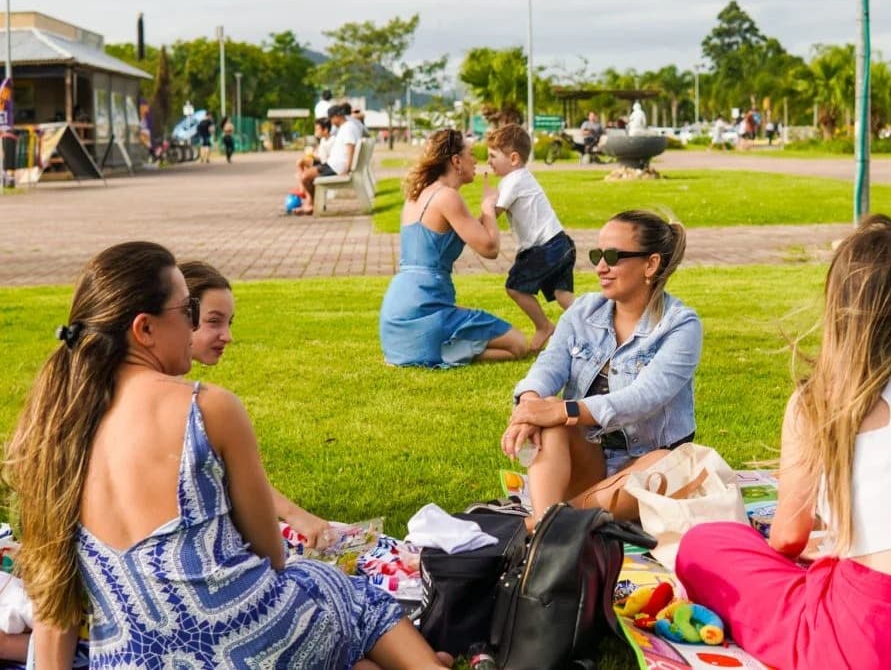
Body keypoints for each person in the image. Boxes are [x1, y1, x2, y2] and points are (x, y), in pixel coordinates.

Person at [6, 241, 451, 668]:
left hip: (131, 658)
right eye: (190, 312)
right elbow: (271, 556)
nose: (197, 326)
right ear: (144, 328)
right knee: (340, 590)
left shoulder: (52, 431)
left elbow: (52, 606)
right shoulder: (206, 408)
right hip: (246, 643)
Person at [673, 216, 891, 670]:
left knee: (707, 544)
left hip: (869, 641)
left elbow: (787, 538)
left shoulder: (817, 401)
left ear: (836, 301)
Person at [502, 210, 698, 528]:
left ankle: (547, 525)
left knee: (670, 465)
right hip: (586, 461)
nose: (600, 267)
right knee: (549, 411)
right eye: (597, 255)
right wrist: (529, 403)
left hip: (643, 464)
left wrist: (564, 409)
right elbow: (549, 365)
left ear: (651, 264)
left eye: (612, 256)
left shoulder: (680, 325)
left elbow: (643, 398)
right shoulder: (584, 310)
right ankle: (557, 525)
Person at [179, 260, 336, 550]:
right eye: (214, 322)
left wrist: (294, 514)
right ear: (178, 317)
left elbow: (232, 476)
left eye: (229, 323)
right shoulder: (202, 405)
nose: (227, 336)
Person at [379, 129, 527, 367]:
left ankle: (433, 349)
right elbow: (489, 248)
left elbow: (474, 232)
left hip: (398, 316)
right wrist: (488, 205)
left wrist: (489, 212)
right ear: (456, 161)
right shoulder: (448, 197)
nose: (476, 159)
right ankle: (443, 352)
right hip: (424, 309)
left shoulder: (417, 195)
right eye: (470, 153)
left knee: (470, 317)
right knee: (518, 345)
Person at [486, 124, 576, 353]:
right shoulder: (519, 178)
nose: (488, 161)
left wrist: (479, 212)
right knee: (562, 294)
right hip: (560, 243)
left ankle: (544, 326)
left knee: (515, 287)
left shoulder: (514, 180)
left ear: (514, 158)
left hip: (546, 247)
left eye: (493, 156)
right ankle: (593, 329)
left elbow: (494, 212)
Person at [298, 106, 357, 215]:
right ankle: (311, 203)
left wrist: (347, 168)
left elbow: (350, 147)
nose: (331, 122)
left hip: (336, 167)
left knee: (305, 177)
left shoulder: (347, 128)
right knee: (306, 174)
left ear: (337, 116)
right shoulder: (346, 127)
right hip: (332, 165)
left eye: (331, 119)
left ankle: (312, 204)